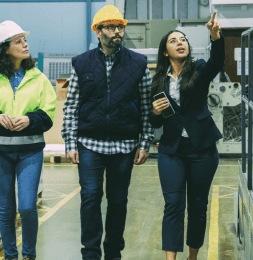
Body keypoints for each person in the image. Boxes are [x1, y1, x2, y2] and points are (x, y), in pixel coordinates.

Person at [61, 5, 154, 260]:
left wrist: (144, 142)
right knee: (90, 197)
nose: (117, 32)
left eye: (120, 27)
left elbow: (146, 106)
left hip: (124, 146)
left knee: (118, 201)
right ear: (98, 31)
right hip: (90, 143)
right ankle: (90, 254)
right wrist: (70, 142)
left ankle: (113, 253)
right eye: (111, 27)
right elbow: (71, 106)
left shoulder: (138, 63)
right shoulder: (81, 63)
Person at [0, 20, 57, 260]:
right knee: (6, 209)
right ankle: (10, 256)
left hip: (30, 151)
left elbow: (48, 113)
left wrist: (30, 120)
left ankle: (29, 255)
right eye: (19, 41)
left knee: (27, 206)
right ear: (5, 48)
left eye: (25, 40)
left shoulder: (38, 78)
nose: (25, 45)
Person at [149, 11, 224, 260]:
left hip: (202, 149)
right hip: (171, 150)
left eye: (183, 40)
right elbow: (154, 121)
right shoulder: (158, 80)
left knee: (198, 207)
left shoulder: (200, 70)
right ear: (165, 52)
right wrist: (155, 112)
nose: (180, 42)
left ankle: (192, 257)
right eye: (174, 40)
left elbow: (217, 62)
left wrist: (215, 38)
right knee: (173, 206)